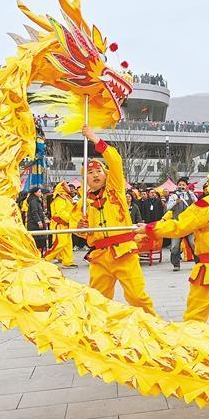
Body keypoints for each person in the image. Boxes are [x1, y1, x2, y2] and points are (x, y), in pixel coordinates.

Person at [137, 163, 209, 330]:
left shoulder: (207, 204)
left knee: (195, 315)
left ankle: (193, 349)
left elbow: (181, 225)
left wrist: (151, 228)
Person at [72, 126, 156, 316]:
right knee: (97, 301)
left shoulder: (115, 188)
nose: (94, 175)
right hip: (100, 257)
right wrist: (80, 228)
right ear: (85, 179)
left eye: (98, 171)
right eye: (90, 173)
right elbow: (75, 229)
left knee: (137, 297)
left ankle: (153, 329)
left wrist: (94, 139)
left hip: (124, 252)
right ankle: (99, 335)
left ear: (105, 174)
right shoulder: (82, 203)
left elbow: (115, 160)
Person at [165, 177, 197, 271]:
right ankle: (176, 264)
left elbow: (197, 203)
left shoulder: (190, 194)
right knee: (175, 245)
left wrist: (192, 197)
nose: (181, 186)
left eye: (183, 185)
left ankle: (198, 262)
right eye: (180, 184)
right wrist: (175, 202)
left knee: (193, 243)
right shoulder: (173, 196)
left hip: (188, 223)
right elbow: (168, 208)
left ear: (186, 186)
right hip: (177, 223)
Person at [44, 181, 77, 268]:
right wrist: (71, 220)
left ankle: (67, 262)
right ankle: (46, 258)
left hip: (66, 224)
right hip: (60, 224)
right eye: (66, 185)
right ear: (62, 187)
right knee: (60, 243)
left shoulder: (66, 197)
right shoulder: (59, 198)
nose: (69, 187)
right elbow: (61, 212)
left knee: (68, 243)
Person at [26, 186, 47, 254]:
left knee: (40, 241)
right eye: (39, 192)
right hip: (34, 225)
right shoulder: (34, 201)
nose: (41, 193)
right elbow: (34, 212)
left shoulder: (37, 201)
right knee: (37, 241)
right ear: (35, 193)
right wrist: (39, 222)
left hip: (36, 224)